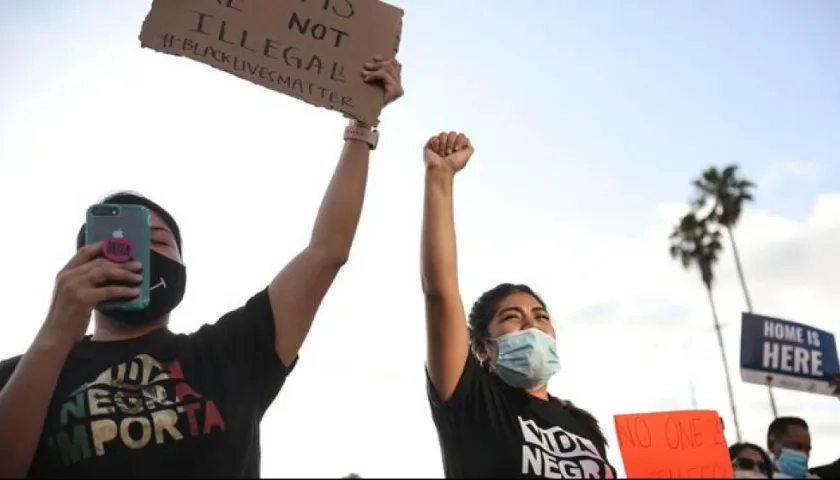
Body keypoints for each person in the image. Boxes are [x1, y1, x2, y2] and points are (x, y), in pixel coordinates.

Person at [0, 56, 403, 478]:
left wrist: (361, 128)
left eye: (157, 242)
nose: (135, 254)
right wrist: (53, 337)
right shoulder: (20, 377)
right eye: (111, 244)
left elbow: (326, 252)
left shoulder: (229, 354)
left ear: (181, 264)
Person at [420, 131, 616, 478]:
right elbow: (441, 292)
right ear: (482, 348)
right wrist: (440, 176)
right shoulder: (473, 400)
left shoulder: (585, 429)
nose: (532, 324)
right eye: (512, 317)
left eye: (541, 316)